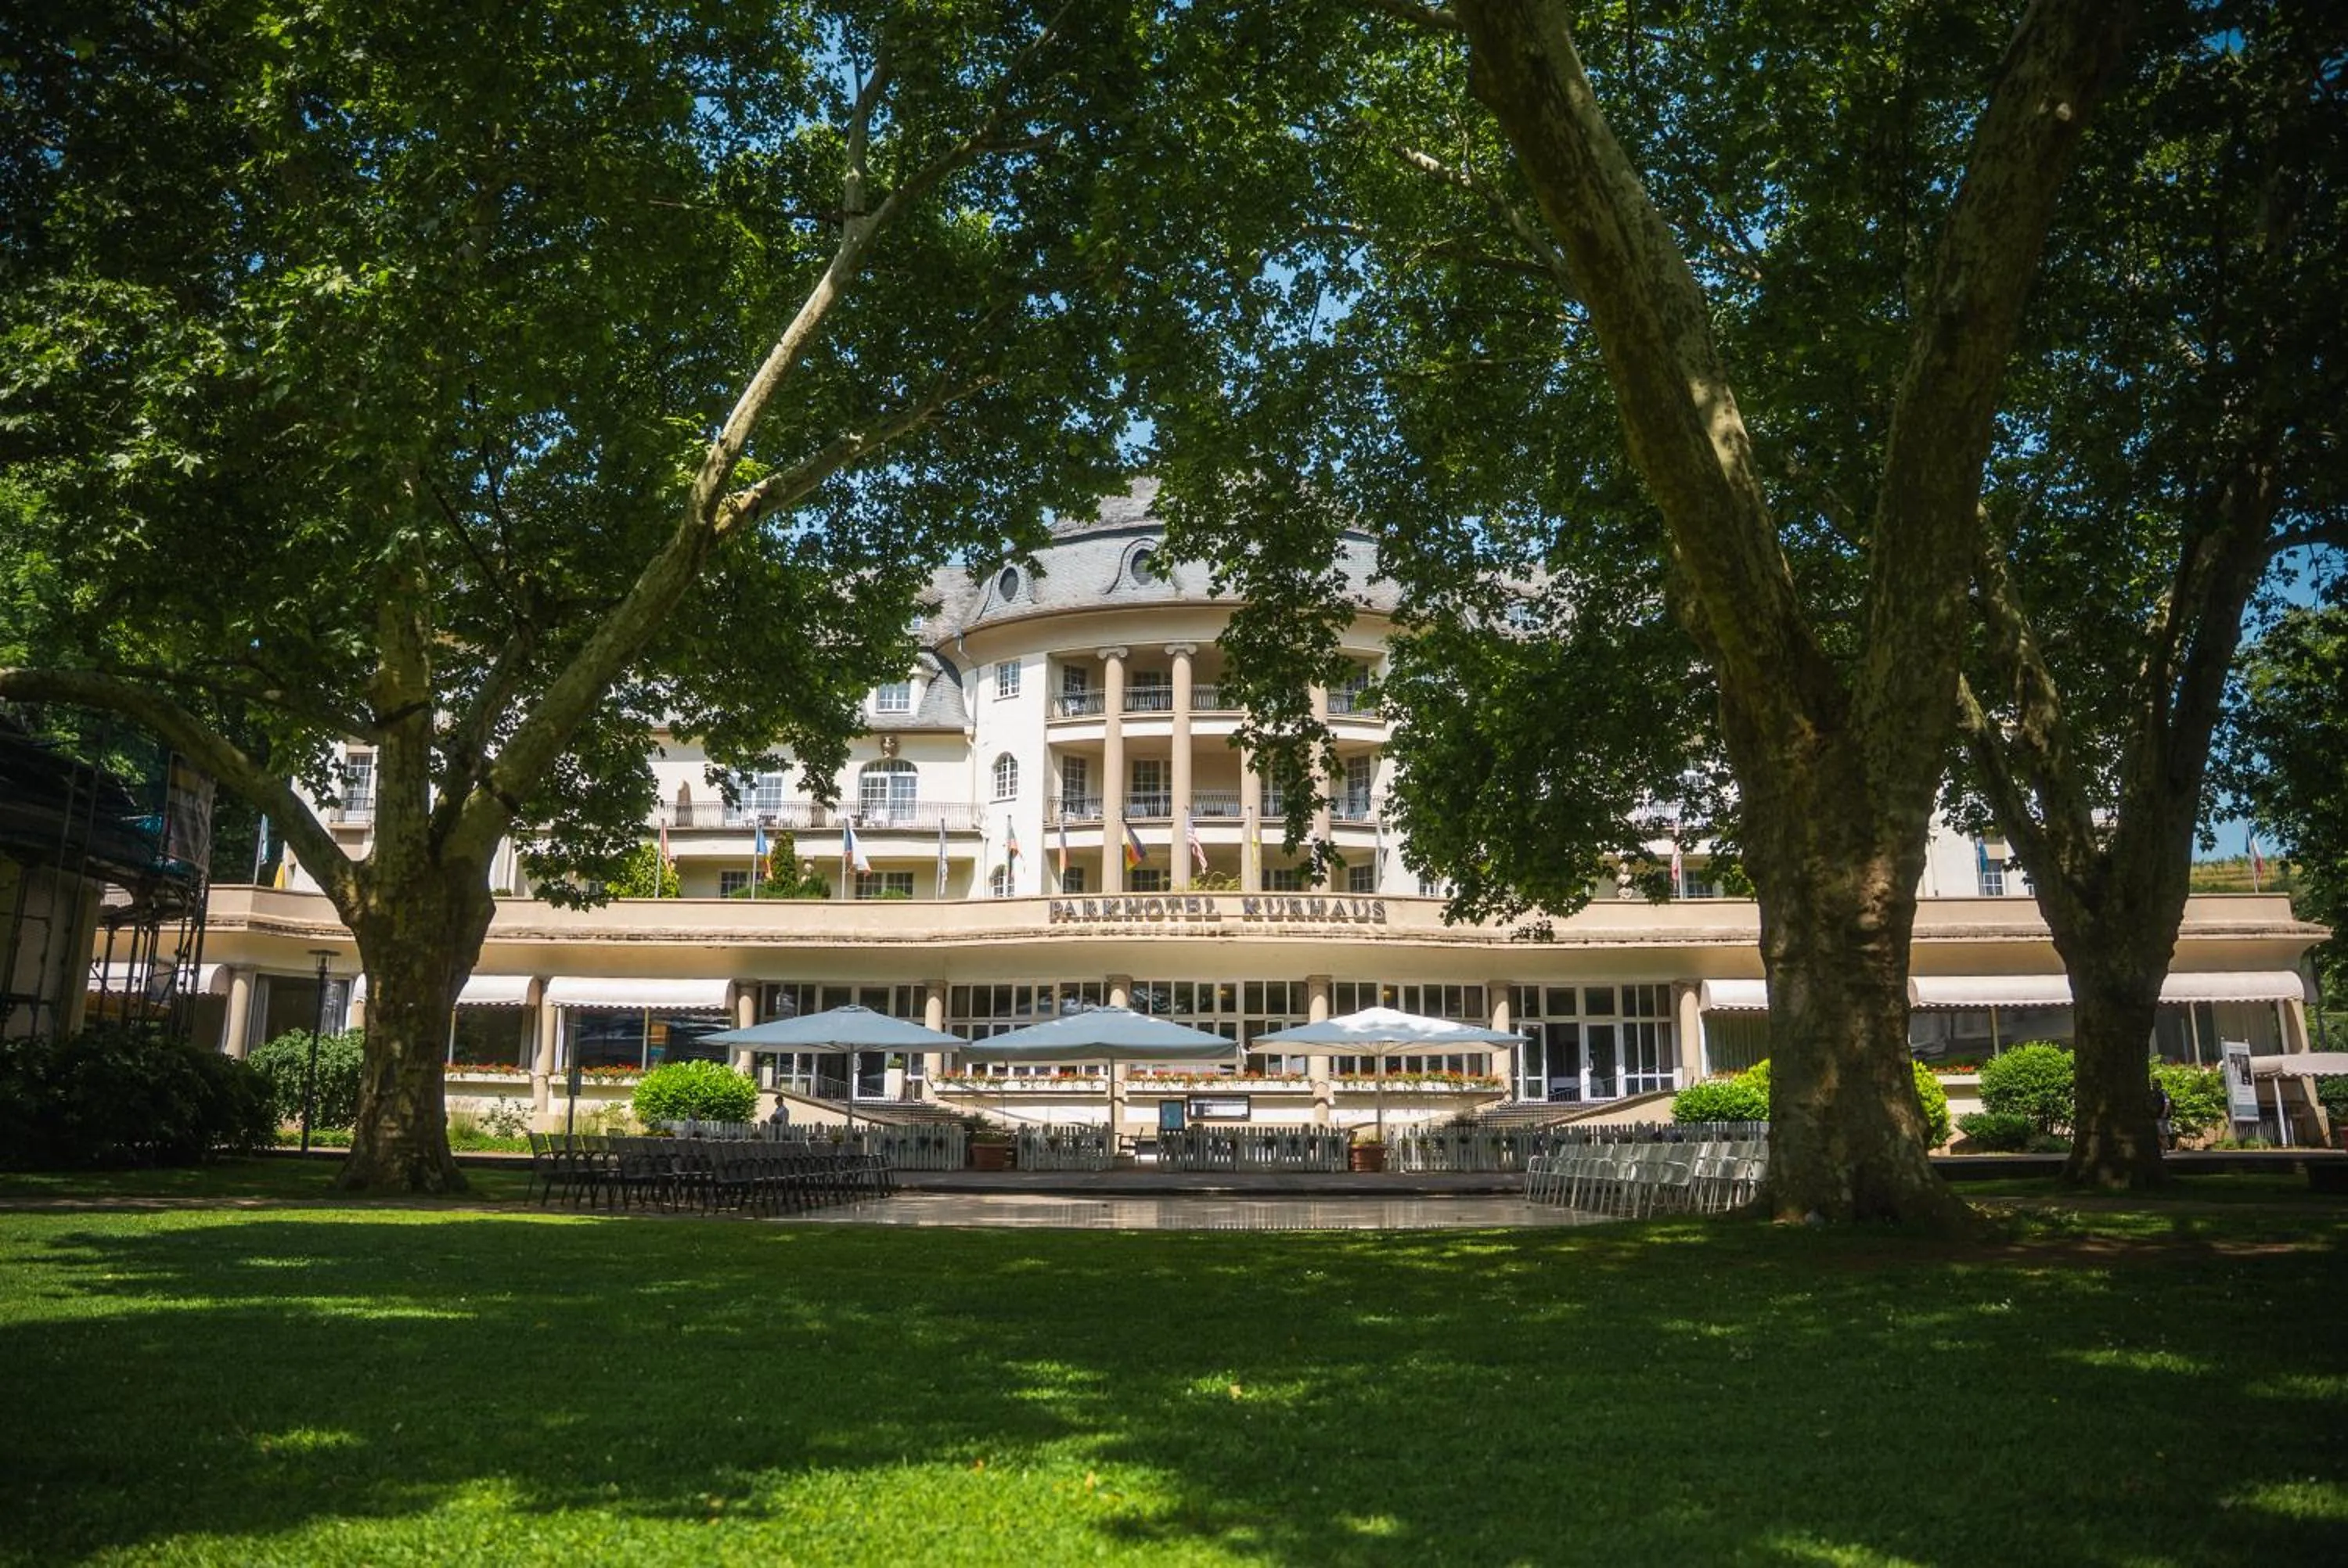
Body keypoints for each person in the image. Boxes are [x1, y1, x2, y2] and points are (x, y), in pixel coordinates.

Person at [2152, 1077, 2174, 1152]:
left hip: (2162, 1116)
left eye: (2155, 1084)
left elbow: (2167, 1103)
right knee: (2158, 1133)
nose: (2153, 1085)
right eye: (2152, 1084)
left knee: (2163, 1133)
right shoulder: (2153, 1093)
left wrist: (2164, 1113)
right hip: (2157, 1115)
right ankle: (2162, 1148)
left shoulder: (2163, 1093)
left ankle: (2165, 1148)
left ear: (2159, 1084)